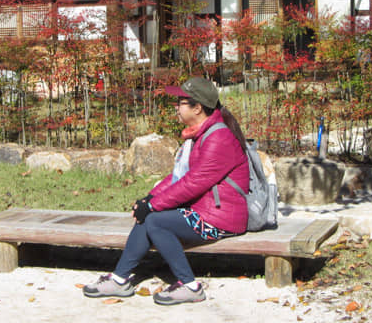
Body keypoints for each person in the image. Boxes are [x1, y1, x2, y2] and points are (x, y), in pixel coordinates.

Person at [82, 76, 249, 305]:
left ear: (197, 108)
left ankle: (190, 286)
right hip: (204, 210)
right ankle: (120, 279)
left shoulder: (218, 138)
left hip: (221, 219)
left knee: (155, 221)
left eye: (180, 102)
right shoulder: (200, 135)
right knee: (149, 217)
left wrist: (152, 206)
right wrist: (149, 199)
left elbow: (193, 183)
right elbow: (178, 177)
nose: (176, 108)